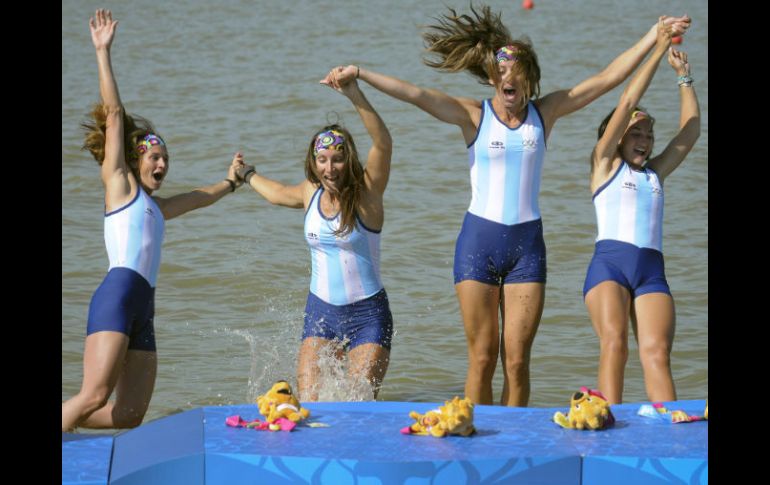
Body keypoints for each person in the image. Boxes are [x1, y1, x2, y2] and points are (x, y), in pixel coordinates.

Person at [329, 4, 691, 406]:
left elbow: (608, 79)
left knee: (517, 361)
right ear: (490, 77)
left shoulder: (545, 112)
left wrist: (654, 37)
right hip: (477, 244)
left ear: (529, 80)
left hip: (527, 250)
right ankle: (475, 436)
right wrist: (360, 74)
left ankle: (518, 443)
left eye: (517, 73)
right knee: (482, 357)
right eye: (501, 72)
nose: (509, 79)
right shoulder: (473, 115)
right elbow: (416, 94)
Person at [62, 10, 245, 432]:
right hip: (118, 294)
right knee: (93, 396)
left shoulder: (155, 209)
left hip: (144, 306)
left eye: (166, 158)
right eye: (153, 156)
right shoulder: (120, 185)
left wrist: (231, 183)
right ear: (133, 160)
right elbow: (113, 115)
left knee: (130, 414)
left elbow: (197, 199)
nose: (162, 163)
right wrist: (102, 52)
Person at [235, 69, 393, 402]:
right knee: (310, 406)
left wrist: (354, 94)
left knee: (356, 408)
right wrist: (246, 174)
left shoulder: (367, 194)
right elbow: (278, 192)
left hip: (368, 317)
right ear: (313, 162)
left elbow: (383, 142)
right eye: (322, 160)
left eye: (337, 159)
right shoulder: (310, 192)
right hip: (320, 314)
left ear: (348, 161)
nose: (329, 168)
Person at [584, 20, 700, 404]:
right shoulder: (605, 164)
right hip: (609, 268)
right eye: (637, 132)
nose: (646, 140)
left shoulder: (655, 173)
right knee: (615, 343)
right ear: (617, 138)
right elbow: (627, 102)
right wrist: (657, 48)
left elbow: (691, 132)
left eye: (649, 134)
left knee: (656, 354)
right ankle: (608, 423)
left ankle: (672, 433)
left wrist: (685, 79)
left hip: (652, 271)